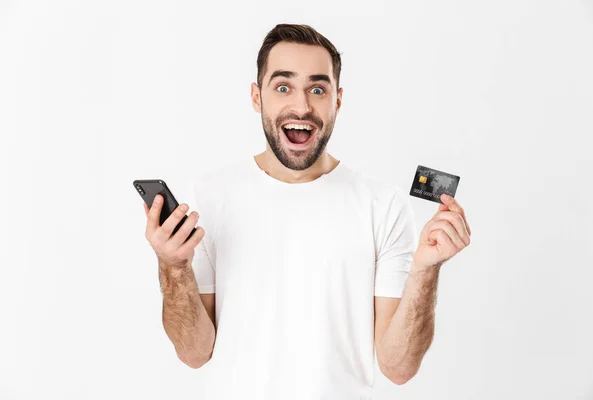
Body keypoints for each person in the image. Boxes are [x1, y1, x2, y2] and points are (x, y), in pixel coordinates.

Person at [143, 23, 472, 400]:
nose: (301, 106)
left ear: (338, 100)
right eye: (283, 87)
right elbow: (194, 353)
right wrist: (173, 266)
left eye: (318, 89)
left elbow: (398, 368)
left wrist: (425, 271)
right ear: (257, 97)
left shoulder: (383, 205)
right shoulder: (212, 196)